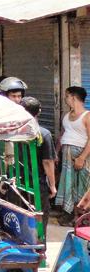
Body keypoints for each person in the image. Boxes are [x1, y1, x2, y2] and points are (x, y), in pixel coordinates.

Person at [56, 86, 90, 218]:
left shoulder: (87, 116)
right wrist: (56, 152)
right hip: (66, 154)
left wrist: (82, 157)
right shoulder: (66, 115)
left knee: (82, 185)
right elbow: (62, 135)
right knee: (68, 184)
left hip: (82, 154)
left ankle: (82, 215)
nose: (65, 99)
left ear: (73, 97)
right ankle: (69, 213)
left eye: (66, 96)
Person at [21, 97, 57, 208]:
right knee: (39, 219)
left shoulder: (13, 132)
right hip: (37, 183)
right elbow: (47, 162)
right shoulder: (44, 134)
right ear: (39, 111)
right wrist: (52, 186)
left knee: (19, 219)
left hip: (17, 181)